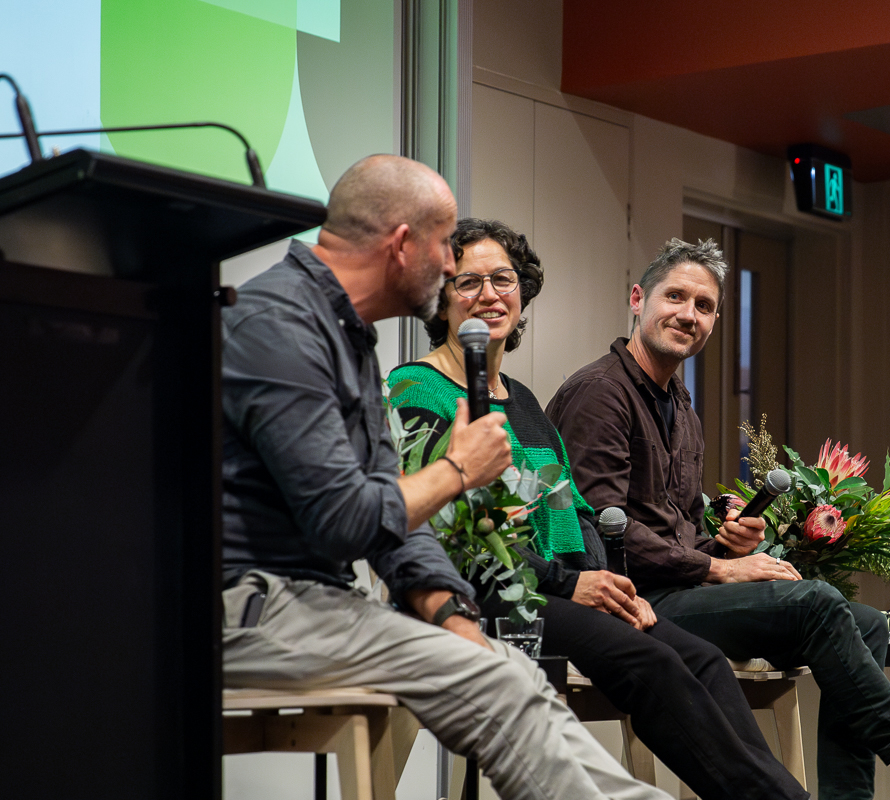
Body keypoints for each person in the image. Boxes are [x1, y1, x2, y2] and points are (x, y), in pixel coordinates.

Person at [221, 154, 672, 800]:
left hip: (315, 603)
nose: (453, 268)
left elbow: (395, 525)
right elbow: (345, 518)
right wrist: (459, 469)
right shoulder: (279, 327)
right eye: (445, 246)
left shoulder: (346, 335)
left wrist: (454, 616)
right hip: (252, 610)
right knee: (490, 681)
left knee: (509, 668)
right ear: (403, 245)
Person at [546, 237, 890, 800]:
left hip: (678, 586)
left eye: (704, 306)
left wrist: (726, 528)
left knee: (864, 623)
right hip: (635, 601)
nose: (688, 315)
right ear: (638, 299)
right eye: (676, 297)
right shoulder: (601, 394)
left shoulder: (678, 402)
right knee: (815, 603)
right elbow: (601, 526)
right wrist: (717, 570)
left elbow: (675, 514)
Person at [387, 217, 811, 800]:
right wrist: (571, 584)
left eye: (504, 279)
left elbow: (574, 508)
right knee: (653, 665)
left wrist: (605, 579)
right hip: (491, 596)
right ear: (442, 299)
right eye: (469, 282)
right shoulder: (417, 388)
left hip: (560, 587)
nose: (489, 295)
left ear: (522, 292)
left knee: (706, 661)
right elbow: (444, 534)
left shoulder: (526, 401)